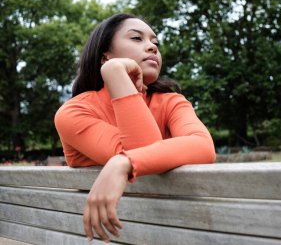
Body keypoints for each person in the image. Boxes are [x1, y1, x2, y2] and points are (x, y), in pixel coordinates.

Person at [54, 13, 216, 242]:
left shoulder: (171, 101)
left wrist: (124, 161)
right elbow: (145, 148)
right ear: (105, 56)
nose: (151, 47)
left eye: (155, 42)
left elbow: (204, 147)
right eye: (137, 38)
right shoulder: (75, 112)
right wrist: (115, 73)